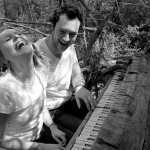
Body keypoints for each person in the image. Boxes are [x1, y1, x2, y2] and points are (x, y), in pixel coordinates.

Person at [35, 3, 97, 138]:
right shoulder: (36, 54)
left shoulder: (69, 47)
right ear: (53, 27)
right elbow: (35, 100)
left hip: (68, 102)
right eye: (62, 31)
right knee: (84, 137)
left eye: (72, 34)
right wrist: (51, 126)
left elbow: (76, 73)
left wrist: (79, 87)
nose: (66, 39)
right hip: (47, 113)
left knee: (100, 117)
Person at [0, 28, 66, 150]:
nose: (16, 37)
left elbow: (41, 106)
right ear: (3, 58)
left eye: (18, 33)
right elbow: (1, 140)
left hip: (39, 135)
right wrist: (41, 147)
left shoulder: (40, 72)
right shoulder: (4, 89)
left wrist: (53, 127)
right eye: (8, 39)